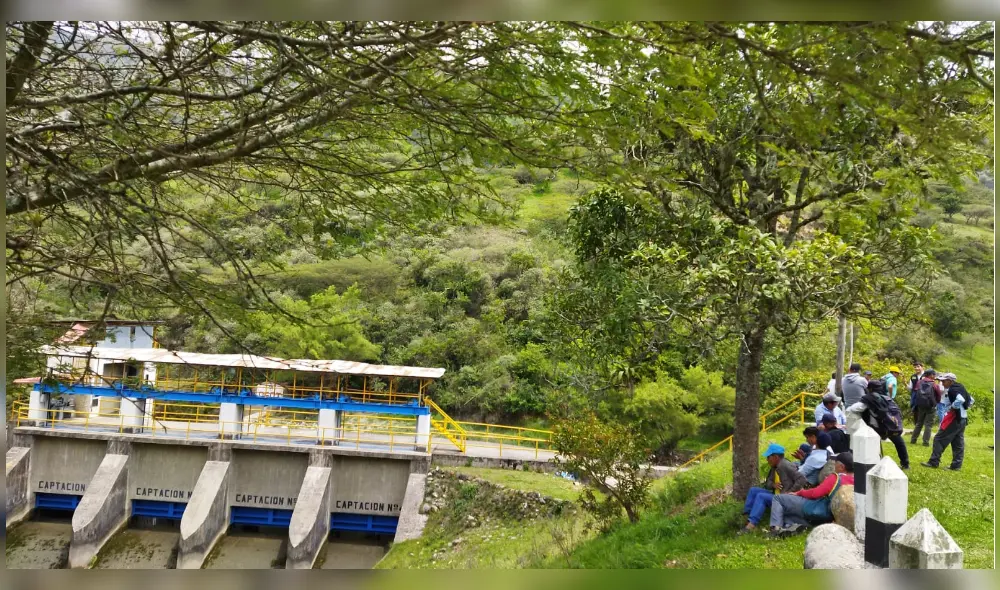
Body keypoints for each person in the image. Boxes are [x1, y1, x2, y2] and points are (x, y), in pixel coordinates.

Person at [768, 452, 855, 537]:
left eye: (835, 463)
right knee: (786, 512)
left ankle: (775, 529)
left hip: (821, 510)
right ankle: (789, 526)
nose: (834, 466)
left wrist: (800, 492)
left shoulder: (836, 478)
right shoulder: (858, 481)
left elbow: (815, 493)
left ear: (841, 467)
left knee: (778, 498)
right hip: (832, 517)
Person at [738, 443, 807, 534]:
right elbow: (768, 483)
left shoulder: (786, 465)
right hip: (777, 494)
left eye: (768, 457)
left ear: (776, 457)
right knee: (753, 490)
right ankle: (746, 518)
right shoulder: (774, 467)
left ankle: (751, 525)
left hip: (786, 498)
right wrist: (773, 485)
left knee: (761, 496)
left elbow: (802, 479)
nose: (767, 460)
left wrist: (789, 492)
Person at [846, 387, 910, 469]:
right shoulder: (888, 399)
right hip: (891, 425)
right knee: (899, 442)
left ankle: (876, 462)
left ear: (869, 389)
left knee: (874, 444)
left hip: (877, 428)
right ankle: (905, 463)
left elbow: (853, 409)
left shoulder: (868, 399)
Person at [922, 373, 973, 471]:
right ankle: (956, 465)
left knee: (938, 438)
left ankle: (933, 462)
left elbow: (960, 399)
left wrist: (953, 407)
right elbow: (971, 400)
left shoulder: (953, 389)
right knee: (958, 442)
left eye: (944, 381)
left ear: (950, 381)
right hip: (963, 418)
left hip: (954, 418)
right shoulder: (960, 387)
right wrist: (964, 408)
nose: (942, 383)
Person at [910, 369, 943, 447]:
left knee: (919, 423)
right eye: (934, 375)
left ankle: (913, 439)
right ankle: (925, 442)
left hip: (920, 405)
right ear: (931, 375)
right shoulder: (934, 384)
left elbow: (915, 392)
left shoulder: (919, 382)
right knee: (928, 425)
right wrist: (936, 403)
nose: (934, 376)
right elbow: (939, 395)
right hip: (931, 406)